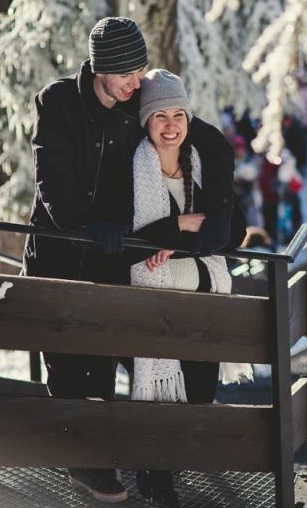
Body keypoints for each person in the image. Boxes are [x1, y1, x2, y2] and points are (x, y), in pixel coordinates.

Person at [23, 17, 235, 503]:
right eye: (127, 74)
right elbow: (51, 178)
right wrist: (84, 222)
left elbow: (208, 140)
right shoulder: (57, 103)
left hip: (111, 256)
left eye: (141, 72)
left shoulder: (136, 97)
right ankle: (89, 465)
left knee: (113, 362)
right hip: (61, 251)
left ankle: (135, 466)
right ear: (101, 70)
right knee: (67, 369)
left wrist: (220, 212)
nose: (136, 83)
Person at [123, 70, 250, 507]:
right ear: (145, 120)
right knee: (162, 399)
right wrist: (178, 226)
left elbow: (235, 230)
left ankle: (166, 468)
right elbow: (126, 245)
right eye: (160, 115)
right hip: (153, 309)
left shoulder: (201, 166)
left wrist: (178, 241)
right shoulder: (132, 170)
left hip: (205, 307)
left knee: (197, 396)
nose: (171, 124)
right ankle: (155, 479)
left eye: (178, 114)